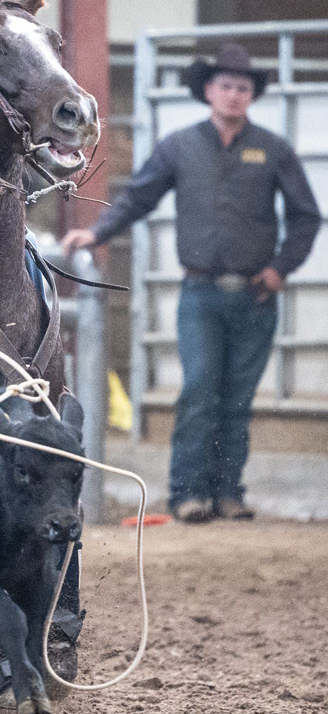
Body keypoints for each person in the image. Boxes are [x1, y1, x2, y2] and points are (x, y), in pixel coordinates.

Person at [62, 44, 321, 523]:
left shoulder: (274, 150)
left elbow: (306, 216)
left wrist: (281, 269)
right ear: (208, 90)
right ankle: (186, 494)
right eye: (226, 86)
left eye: (244, 88)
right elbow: (139, 197)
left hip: (256, 295)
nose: (234, 95)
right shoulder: (180, 147)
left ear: (252, 95)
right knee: (200, 387)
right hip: (200, 293)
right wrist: (97, 232)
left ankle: (228, 494)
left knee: (238, 397)